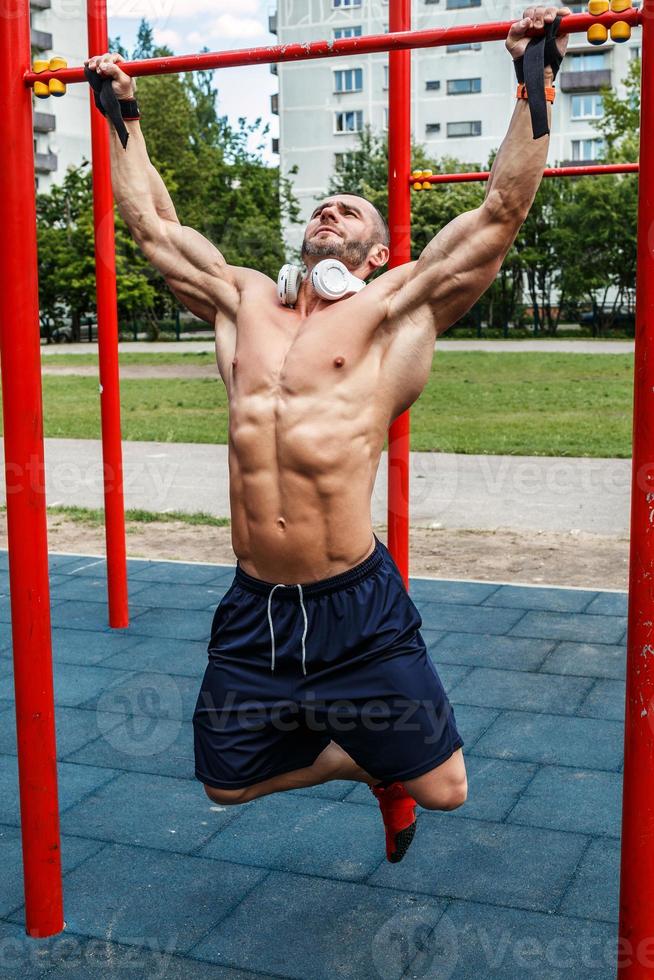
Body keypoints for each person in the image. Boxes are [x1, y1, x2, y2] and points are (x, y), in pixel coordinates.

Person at [86, 5, 569, 864]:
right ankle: (357, 760)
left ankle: (395, 771)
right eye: (322, 207)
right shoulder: (244, 301)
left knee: (446, 789)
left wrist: (534, 75)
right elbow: (152, 229)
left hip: (356, 606)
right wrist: (122, 113)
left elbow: (498, 214)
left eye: (349, 211)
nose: (330, 214)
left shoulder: (393, 312)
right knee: (223, 783)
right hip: (256, 604)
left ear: (376, 254)